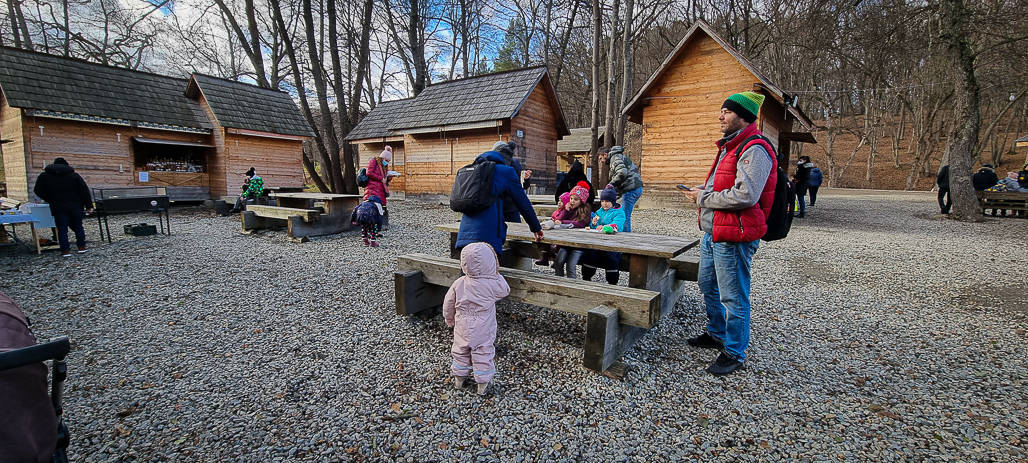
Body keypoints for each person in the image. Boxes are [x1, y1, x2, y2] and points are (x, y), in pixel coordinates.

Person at [679, 91, 778, 376]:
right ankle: (716, 332)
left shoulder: (754, 148)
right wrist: (703, 190)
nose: (720, 116)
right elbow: (722, 185)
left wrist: (702, 198)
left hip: (735, 234)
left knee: (733, 296)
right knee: (707, 283)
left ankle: (734, 351)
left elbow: (745, 195)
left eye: (726, 111)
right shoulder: (729, 146)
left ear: (743, 116)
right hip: (715, 232)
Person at [444, 242, 510, 396]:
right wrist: (495, 274)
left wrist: (448, 318)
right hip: (483, 327)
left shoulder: (459, 283)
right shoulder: (492, 284)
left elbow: (448, 303)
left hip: (462, 324)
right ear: (491, 263)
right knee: (483, 352)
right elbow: (505, 290)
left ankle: (459, 378)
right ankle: (482, 383)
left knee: (460, 349)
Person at [454, 147, 543, 257]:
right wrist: (536, 228)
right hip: (488, 238)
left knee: (467, 272)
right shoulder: (506, 172)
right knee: (488, 272)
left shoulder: (470, 171)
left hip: (463, 237)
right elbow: (523, 203)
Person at [33, 157, 93, 257]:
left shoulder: (44, 176)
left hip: (58, 206)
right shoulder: (74, 176)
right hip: (75, 205)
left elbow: (38, 190)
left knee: (61, 228)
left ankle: (65, 250)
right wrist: (89, 205)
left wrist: (49, 198)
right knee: (78, 226)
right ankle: (81, 247)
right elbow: (84, 191)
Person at [580, 187, 626, 285]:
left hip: (614, 243)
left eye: (607, 201)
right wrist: (594, 224)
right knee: (590, 252)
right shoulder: (599, 211)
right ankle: (586, 277)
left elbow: (617, 225)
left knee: (611, 257)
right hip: (598, 241)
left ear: (613, 201)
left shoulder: (619, 213)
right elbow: (594, 226)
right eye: (602, 201)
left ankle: (612, 281)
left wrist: (605, 227)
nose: (604, 203)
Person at [550, 185, 592, 278]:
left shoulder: (585, 210)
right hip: (565, 242)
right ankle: (559, 281)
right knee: (558, 262)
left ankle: (572, 284)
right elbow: (558, 220)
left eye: (576, 199)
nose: (572, 201)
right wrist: (566, 210)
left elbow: (580, 223)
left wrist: (563, 222)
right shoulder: (568, 210)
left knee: (570, 265)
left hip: (578, 244)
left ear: (582, 201)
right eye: (571, 198)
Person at [603, 146, 643, 231]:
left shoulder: (615, 158)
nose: (601, 161)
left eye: (600, 158)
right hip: (635, 188)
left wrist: (611, 184)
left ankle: (626, 238)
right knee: (624, 214)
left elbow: (622, 172)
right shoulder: (619, 157)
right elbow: (623, 178)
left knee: (624, 216)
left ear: (605, 155)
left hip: (631, 189)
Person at [494, 141, 527, 223]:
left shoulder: (514, 163)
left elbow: (523, 184)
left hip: (502, 206)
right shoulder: (491, 164)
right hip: (507, 206)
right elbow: (522, 186)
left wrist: (526, 179)